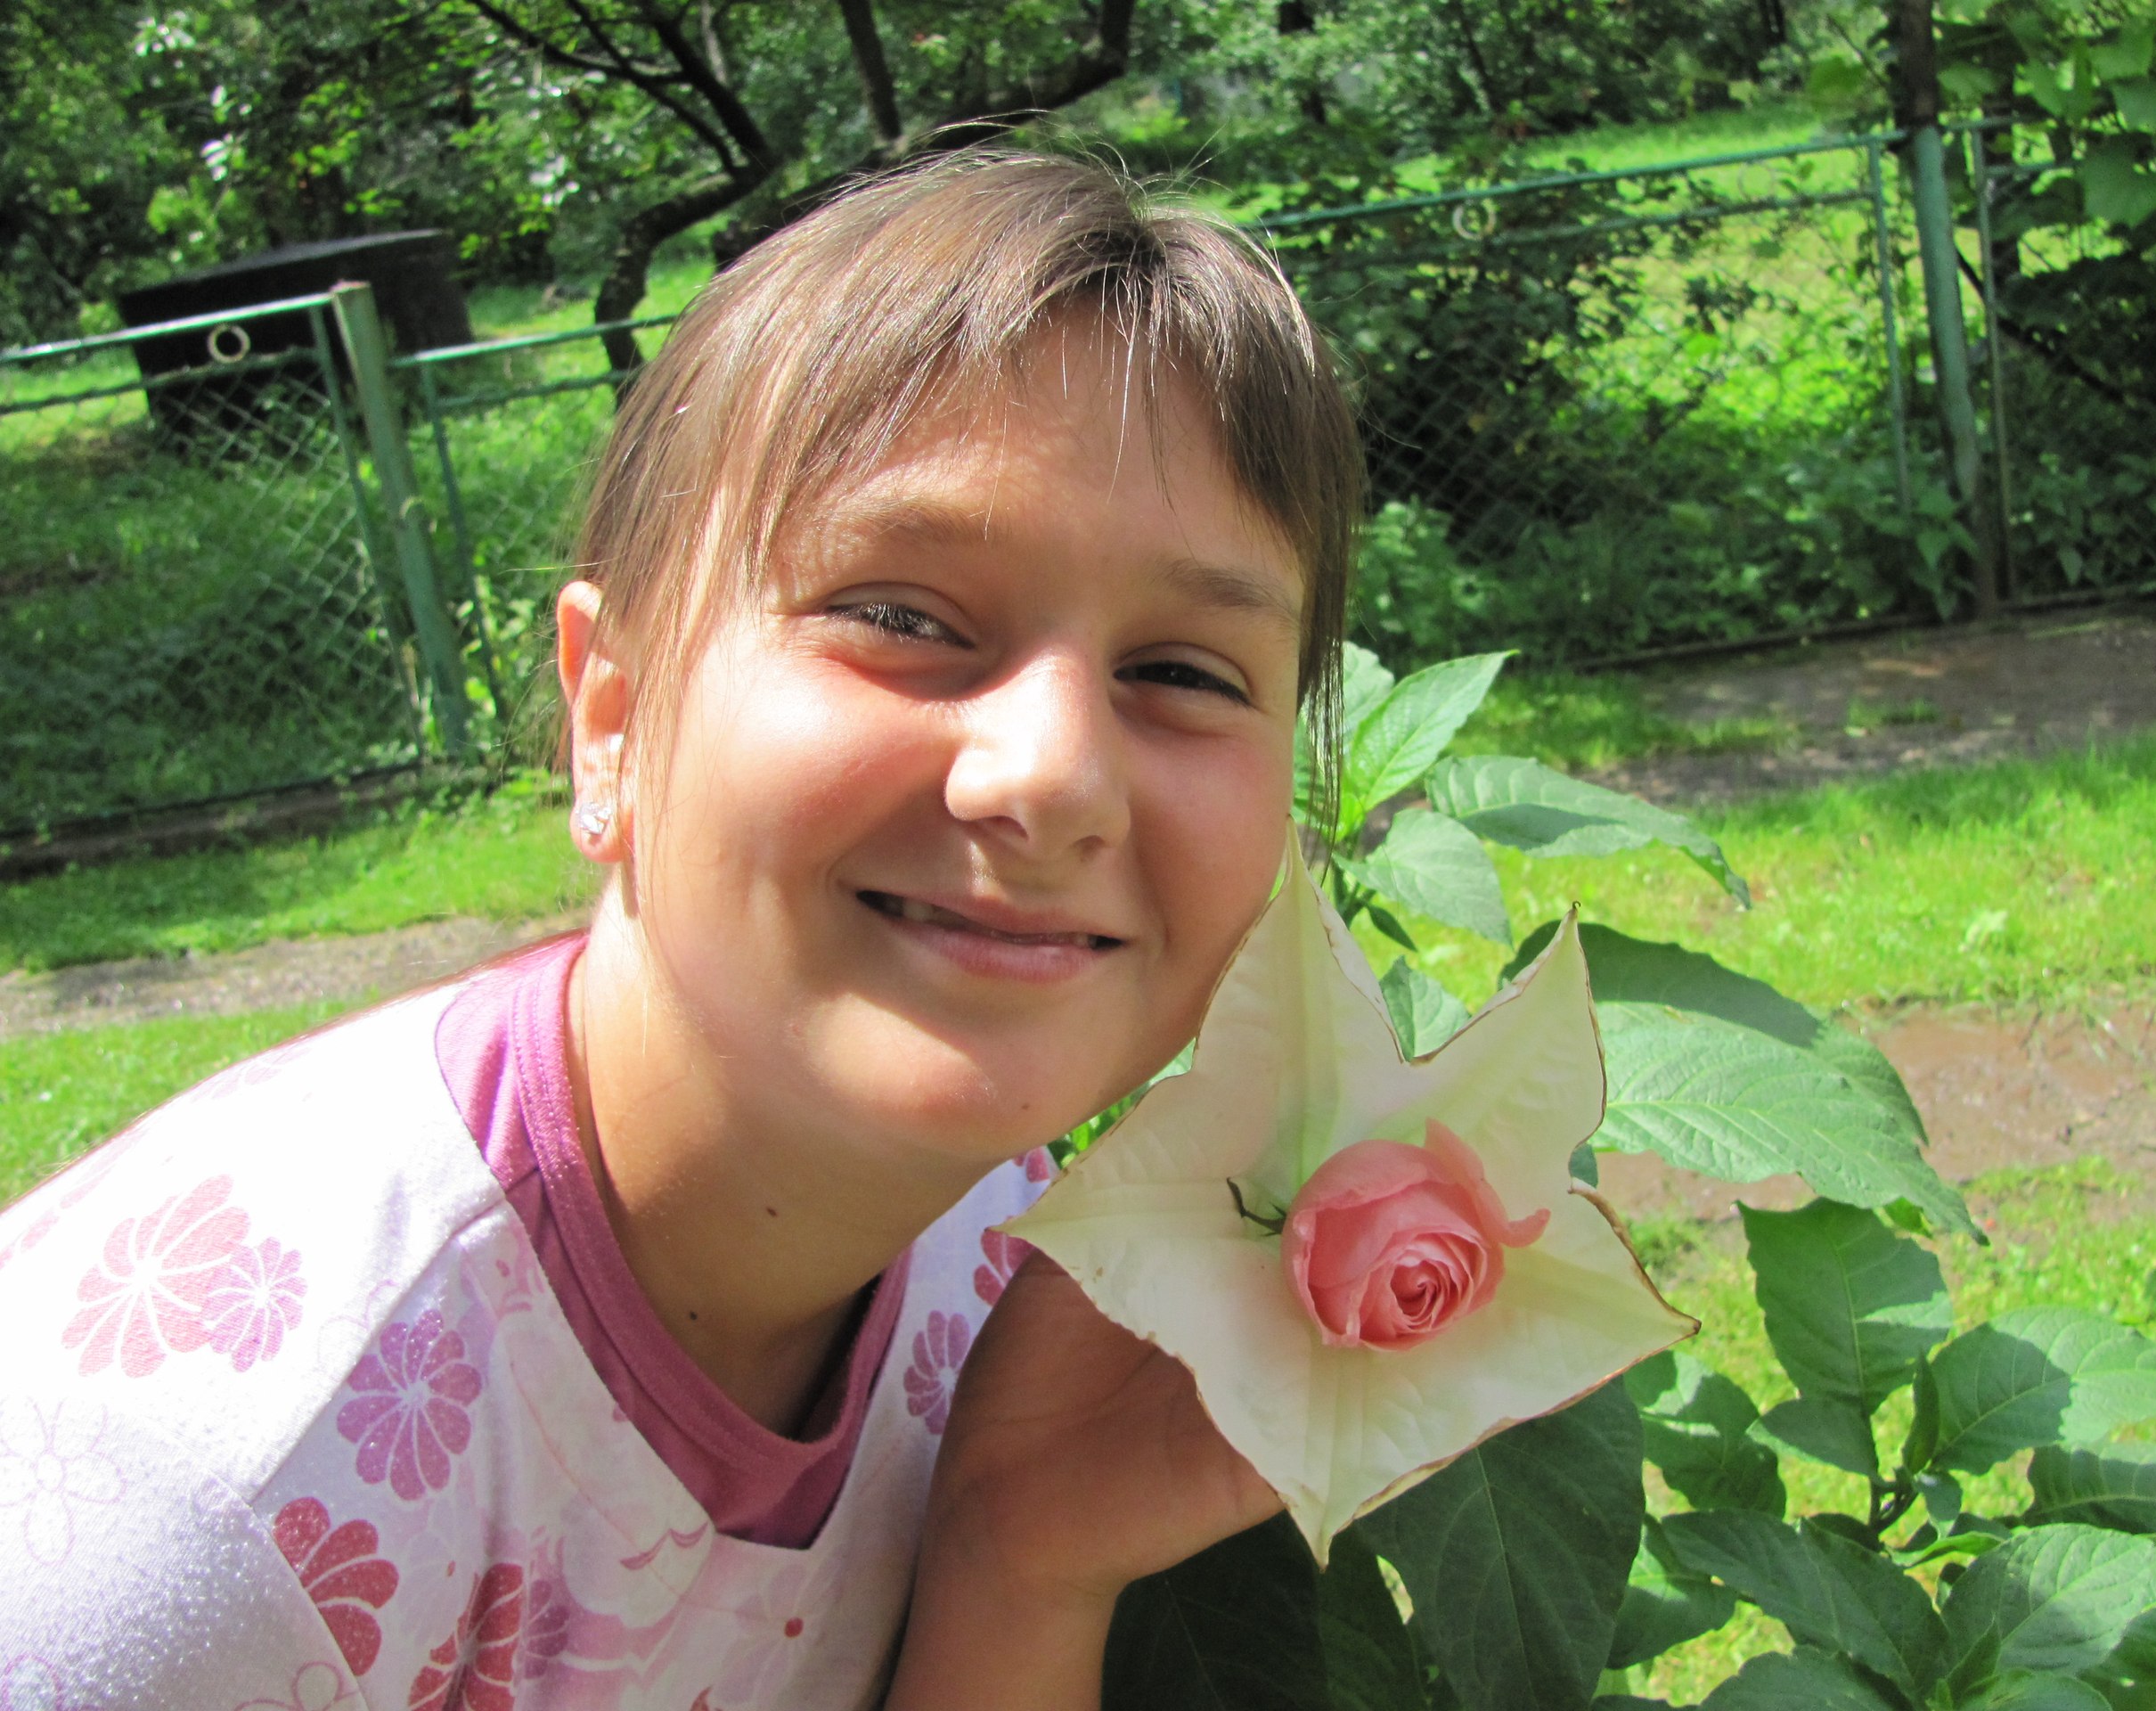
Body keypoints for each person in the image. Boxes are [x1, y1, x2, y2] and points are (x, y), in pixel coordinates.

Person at [0, 151, 1363, 1710]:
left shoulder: (999, 1258)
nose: (1052, 778)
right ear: (614, 719)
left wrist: (1016, 1566)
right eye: (903, 618)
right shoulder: (195, 1528)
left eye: (1185, 673)